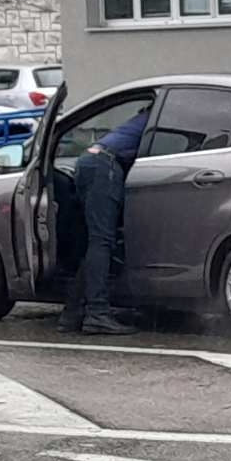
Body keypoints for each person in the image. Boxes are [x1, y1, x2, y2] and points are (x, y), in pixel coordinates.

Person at [60, 103, 151, 335]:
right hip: (104, 165)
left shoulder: (138, 120)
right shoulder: (159, 119)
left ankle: (72, 313)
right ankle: (97, 313)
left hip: (91, 161)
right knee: (102, 241)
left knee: (96, 240)